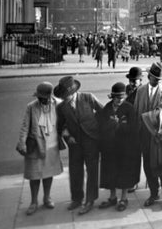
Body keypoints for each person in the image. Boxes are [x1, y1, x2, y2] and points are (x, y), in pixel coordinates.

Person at [55, 76, 103, 215]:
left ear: (74, 92)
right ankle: (76, 198)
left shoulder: (88, 98)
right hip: (74, 143)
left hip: (91, 140)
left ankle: (90, 200)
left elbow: (103, 112)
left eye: (68, 95)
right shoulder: (61, 107)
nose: (66, 98)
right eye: (64, 96)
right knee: (75, 171)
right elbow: (61, 126)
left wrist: (97, 130)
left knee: (92, 170)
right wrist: (67, 136)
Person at [16, 82, 64, 215]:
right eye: (39, 97)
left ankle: (47, 198)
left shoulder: (59, 104)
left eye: (43, 98)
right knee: (34, 175)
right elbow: (25, 126)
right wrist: (22, 143)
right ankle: (33, 202)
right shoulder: (31, 107)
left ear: (50, 96)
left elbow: (66, 120)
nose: (41, 100)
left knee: (48, 174)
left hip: (52, 145)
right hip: (35, 145)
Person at [134, 62, 162, 210]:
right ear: (149, 76)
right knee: (148, 166)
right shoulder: (140, 91)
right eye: (155, 78)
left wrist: (156, 115)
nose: (157, 80)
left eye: (160, 79)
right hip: (145, 135)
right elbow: (137, 112)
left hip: (161, 135)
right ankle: (153, 194)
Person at [98, 82, 140, 212]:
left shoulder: (129, 108)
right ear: (112, 97)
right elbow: (101, 125)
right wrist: (110, 125)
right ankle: (112, 197)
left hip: (125, 148)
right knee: (110, 172)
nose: (119, 100)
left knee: (124, 173)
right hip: (109, 147)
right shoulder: (107, 108)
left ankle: (123, 198)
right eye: (116, 98)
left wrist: (119, 125)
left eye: (121, 98)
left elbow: (134, 128)